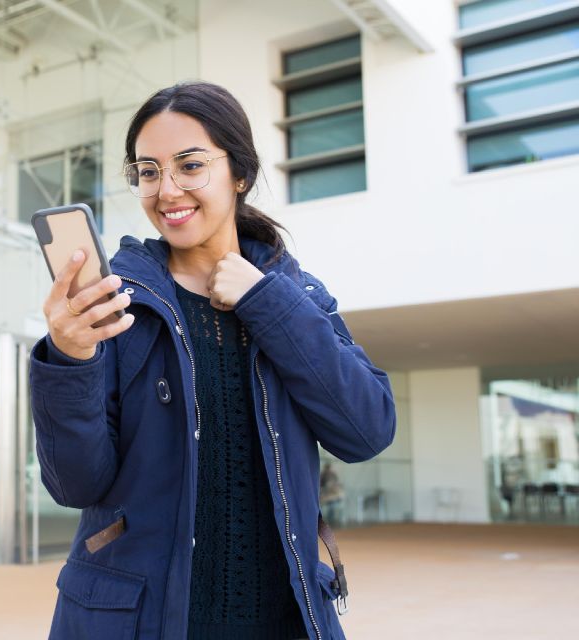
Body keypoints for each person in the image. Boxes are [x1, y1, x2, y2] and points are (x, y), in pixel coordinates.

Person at [29, 81, 396, 640]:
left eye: (190, 165)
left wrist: (266, 302)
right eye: (148, 171)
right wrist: (70, 358)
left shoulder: (296, 295)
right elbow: (76, 484)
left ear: (240, 174)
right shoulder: (118, 304)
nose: (166, 189)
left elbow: (368, 429)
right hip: (141, 623)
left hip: (283, 621)